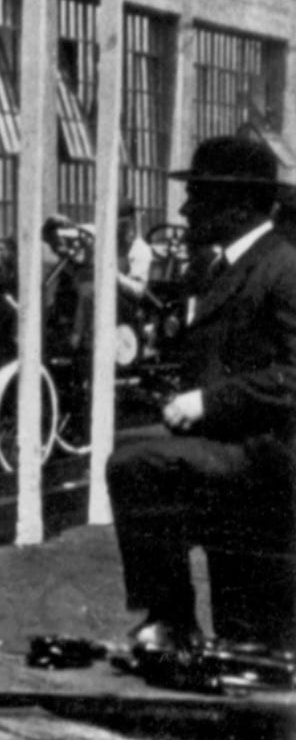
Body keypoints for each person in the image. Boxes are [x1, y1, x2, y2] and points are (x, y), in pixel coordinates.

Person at [105, 132, 296, 657]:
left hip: (269, 454)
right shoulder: (222, 269)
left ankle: (170, 621)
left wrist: (208, 403)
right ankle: (178, 623)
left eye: (199, 196)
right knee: (250, 636)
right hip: (236, 448)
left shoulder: (284, 268)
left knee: (136, 466)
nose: (187, 210)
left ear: (238, 205)